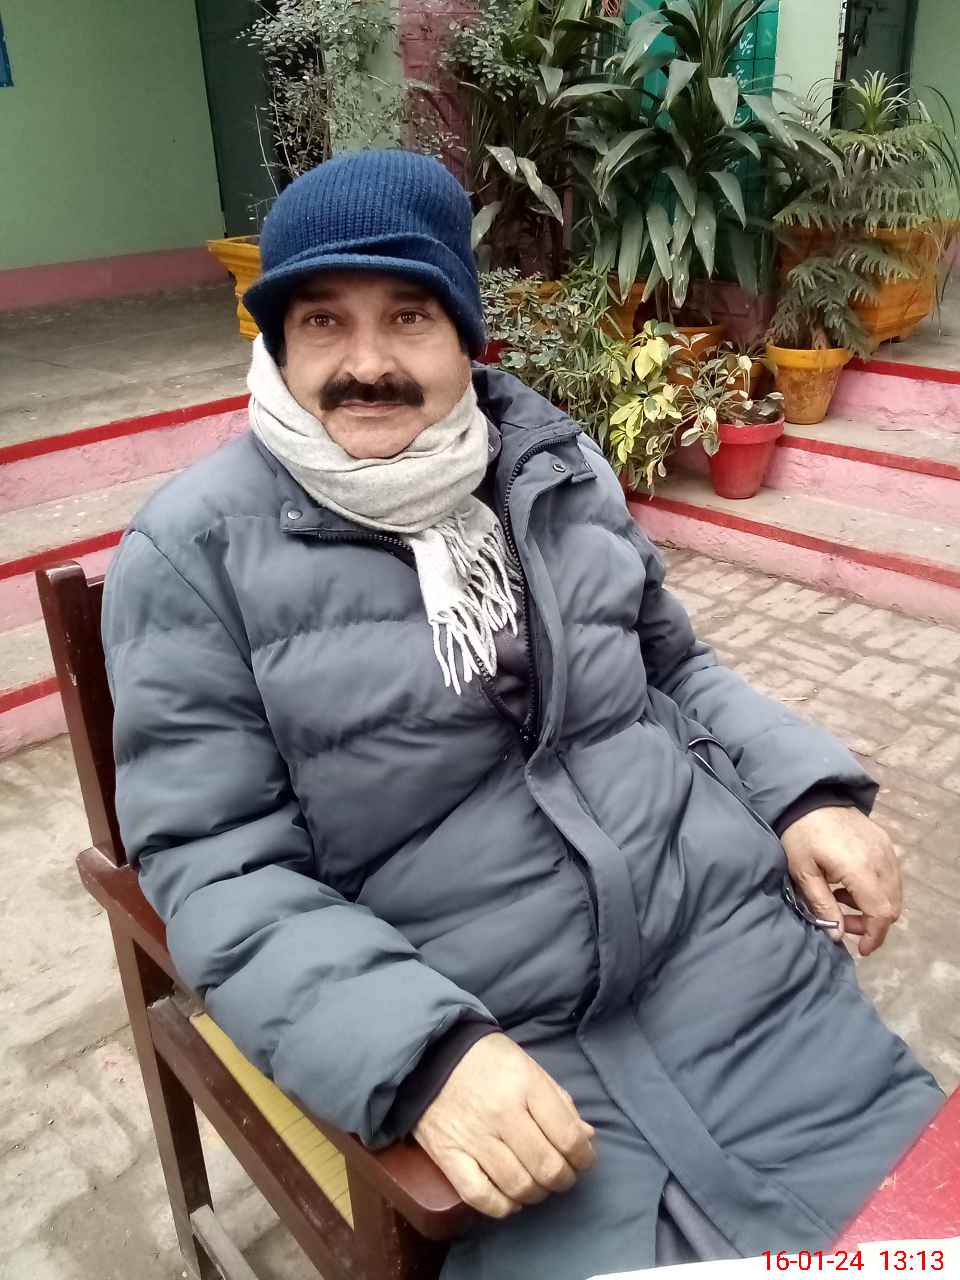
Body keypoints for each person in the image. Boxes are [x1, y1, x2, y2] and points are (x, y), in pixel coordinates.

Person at [102, 151, 942, 1278]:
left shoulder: (552, 468)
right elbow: (216, 861)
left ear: (465, 334)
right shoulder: (194, 557)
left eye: (408, 316)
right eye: (322, 321)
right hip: (504, 1052)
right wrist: (423, 1052)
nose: (366, 363)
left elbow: (671, 669)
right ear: (277, 343)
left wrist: (803, 793)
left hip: (736, 972)